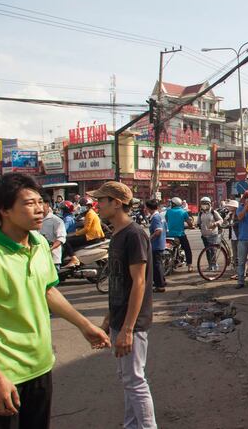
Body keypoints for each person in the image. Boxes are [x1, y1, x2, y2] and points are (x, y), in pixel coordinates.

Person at [0, 173, 110, 428]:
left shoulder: (39, 243)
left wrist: (85, 325)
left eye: (41, 202)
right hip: (2, 372)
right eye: (30, 203)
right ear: (4, 210)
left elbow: (48, 291)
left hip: (40, 366)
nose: (41, 209)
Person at [88, 182, 158, 428]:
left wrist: (128, 329)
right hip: (119, 318)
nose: (98, 205)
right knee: (127, 378)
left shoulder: (134, 234)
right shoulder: (117, 234)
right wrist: (109, 319)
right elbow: (120, 283)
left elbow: (139, 283)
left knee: (135, 381)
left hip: (133, 322)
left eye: (102, 200)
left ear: (116, 203)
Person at [64, 198, 104, 267]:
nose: (81, 207)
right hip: (93, 235)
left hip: (92, 236)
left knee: (66, 241)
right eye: (81, 205)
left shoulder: (90, 214)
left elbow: (86, 229)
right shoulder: (89, 213)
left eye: (83, 205)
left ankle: (74, 259)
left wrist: (74, 234)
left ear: (88, 206)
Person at [165, 197, 193, 273]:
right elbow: (190, 224)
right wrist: (190, 226)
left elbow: (167, 221)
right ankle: (189, 265)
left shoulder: (168, 211)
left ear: (174, 204)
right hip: (180, 234)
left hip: (170, 234)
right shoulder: (183, 212)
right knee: (187, 249)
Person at [40, 195, 66, 275]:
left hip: (52, 259)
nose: (37, 206)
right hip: (38, 260)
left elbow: (61, 238)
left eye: (40, 203)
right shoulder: (34, 220)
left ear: (47, 205)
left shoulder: (56, 220)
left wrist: (50, 248)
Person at [144, 200, 167, 293]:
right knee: (158, 264)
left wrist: (149, 239)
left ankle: (160, 285)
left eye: (146, 207)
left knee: (156, 265)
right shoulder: (160, 216)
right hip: (160, 243)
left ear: (149, 208)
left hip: (156, 245)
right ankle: (161, 281)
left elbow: (159, 231)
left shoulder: (156, 217)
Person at [196, 197, 223, 272]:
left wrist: (215, 223)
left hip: (213, 234)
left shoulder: (213, 212)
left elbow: (221, 220)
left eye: (206, 204)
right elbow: (198, 222)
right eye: (202, 204)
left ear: (209, 204)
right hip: (204, 235)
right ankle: (210, 265)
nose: (204, 205)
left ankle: (214, 265)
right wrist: (197, 225)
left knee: (212, 250)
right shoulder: (200, 213)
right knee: (207, 251)